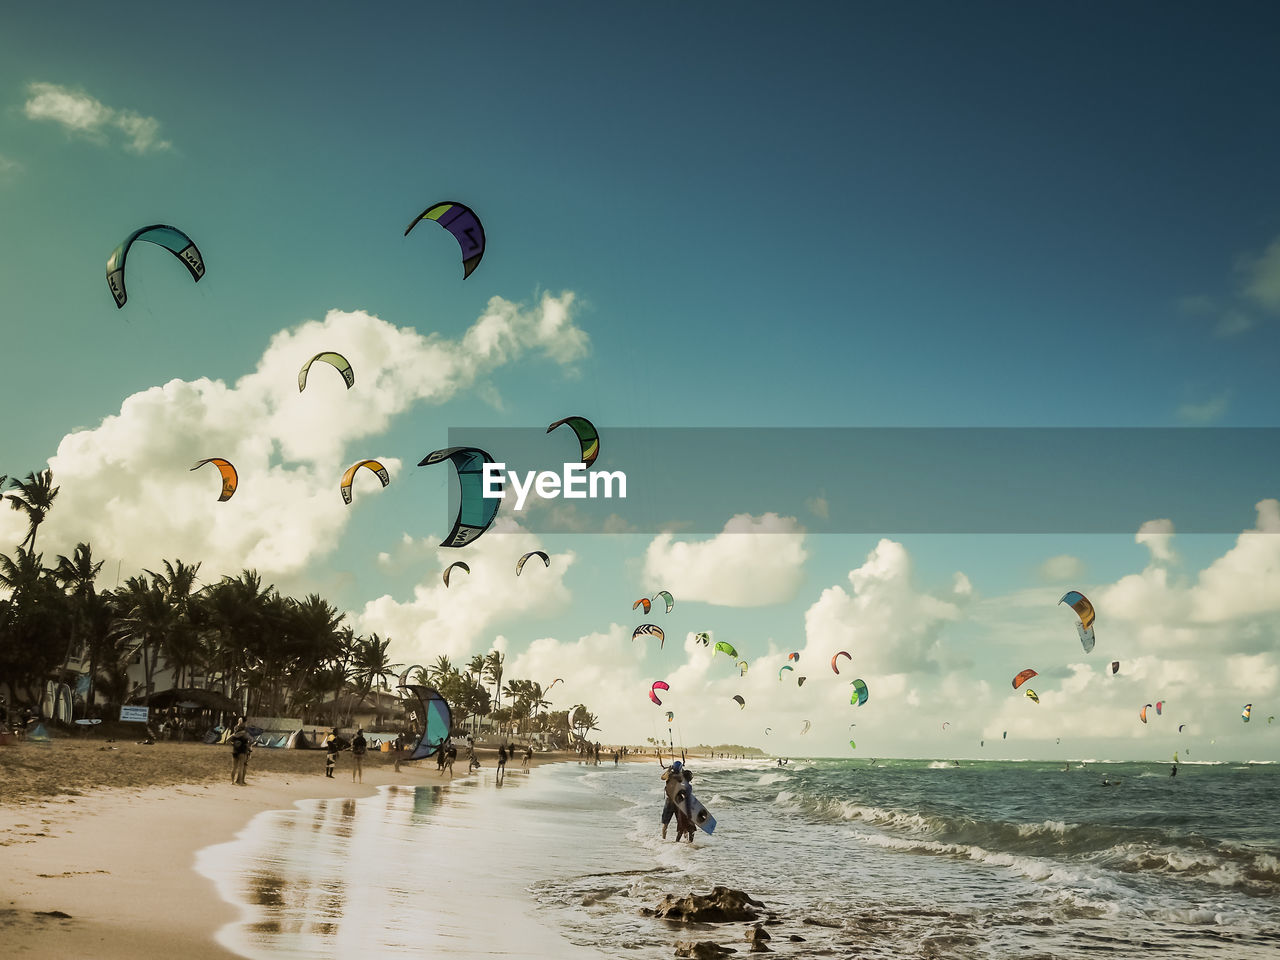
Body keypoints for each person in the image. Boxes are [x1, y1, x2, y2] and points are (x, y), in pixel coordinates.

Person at [230, 719, 251, 785]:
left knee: (234, 767)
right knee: (241, 767)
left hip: (235, 751)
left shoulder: (235, 734)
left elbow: (228, 740)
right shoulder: (245, 734)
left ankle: (232, 781)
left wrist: (233, 744)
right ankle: (240, 782)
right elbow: (249, 742)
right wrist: (249, 748)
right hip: (242, 751)